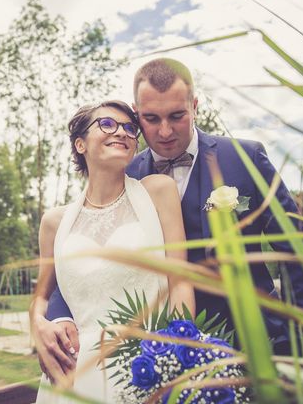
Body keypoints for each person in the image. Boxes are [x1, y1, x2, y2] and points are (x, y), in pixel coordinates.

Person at [39, 58, 303, 383]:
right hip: (155, 365)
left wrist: (295, 363)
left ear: (195, 106)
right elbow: (80, 260)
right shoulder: (123, 173)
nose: (164, 131)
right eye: (150, 118)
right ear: (137, 113)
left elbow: (300, 258)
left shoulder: (245, 159)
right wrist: (54, 318)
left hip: (255, 356)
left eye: (177, 116)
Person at [30, 100, 195, 403]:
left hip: (147, 366)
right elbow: (41, 295)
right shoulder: (54, 223)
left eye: (130, 128)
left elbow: (180, 281)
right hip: (74, 374)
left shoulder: (159, 191)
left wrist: (176, 357)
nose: (122, 132)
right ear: (80, 144)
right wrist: (40, 326)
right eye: (107, 124)